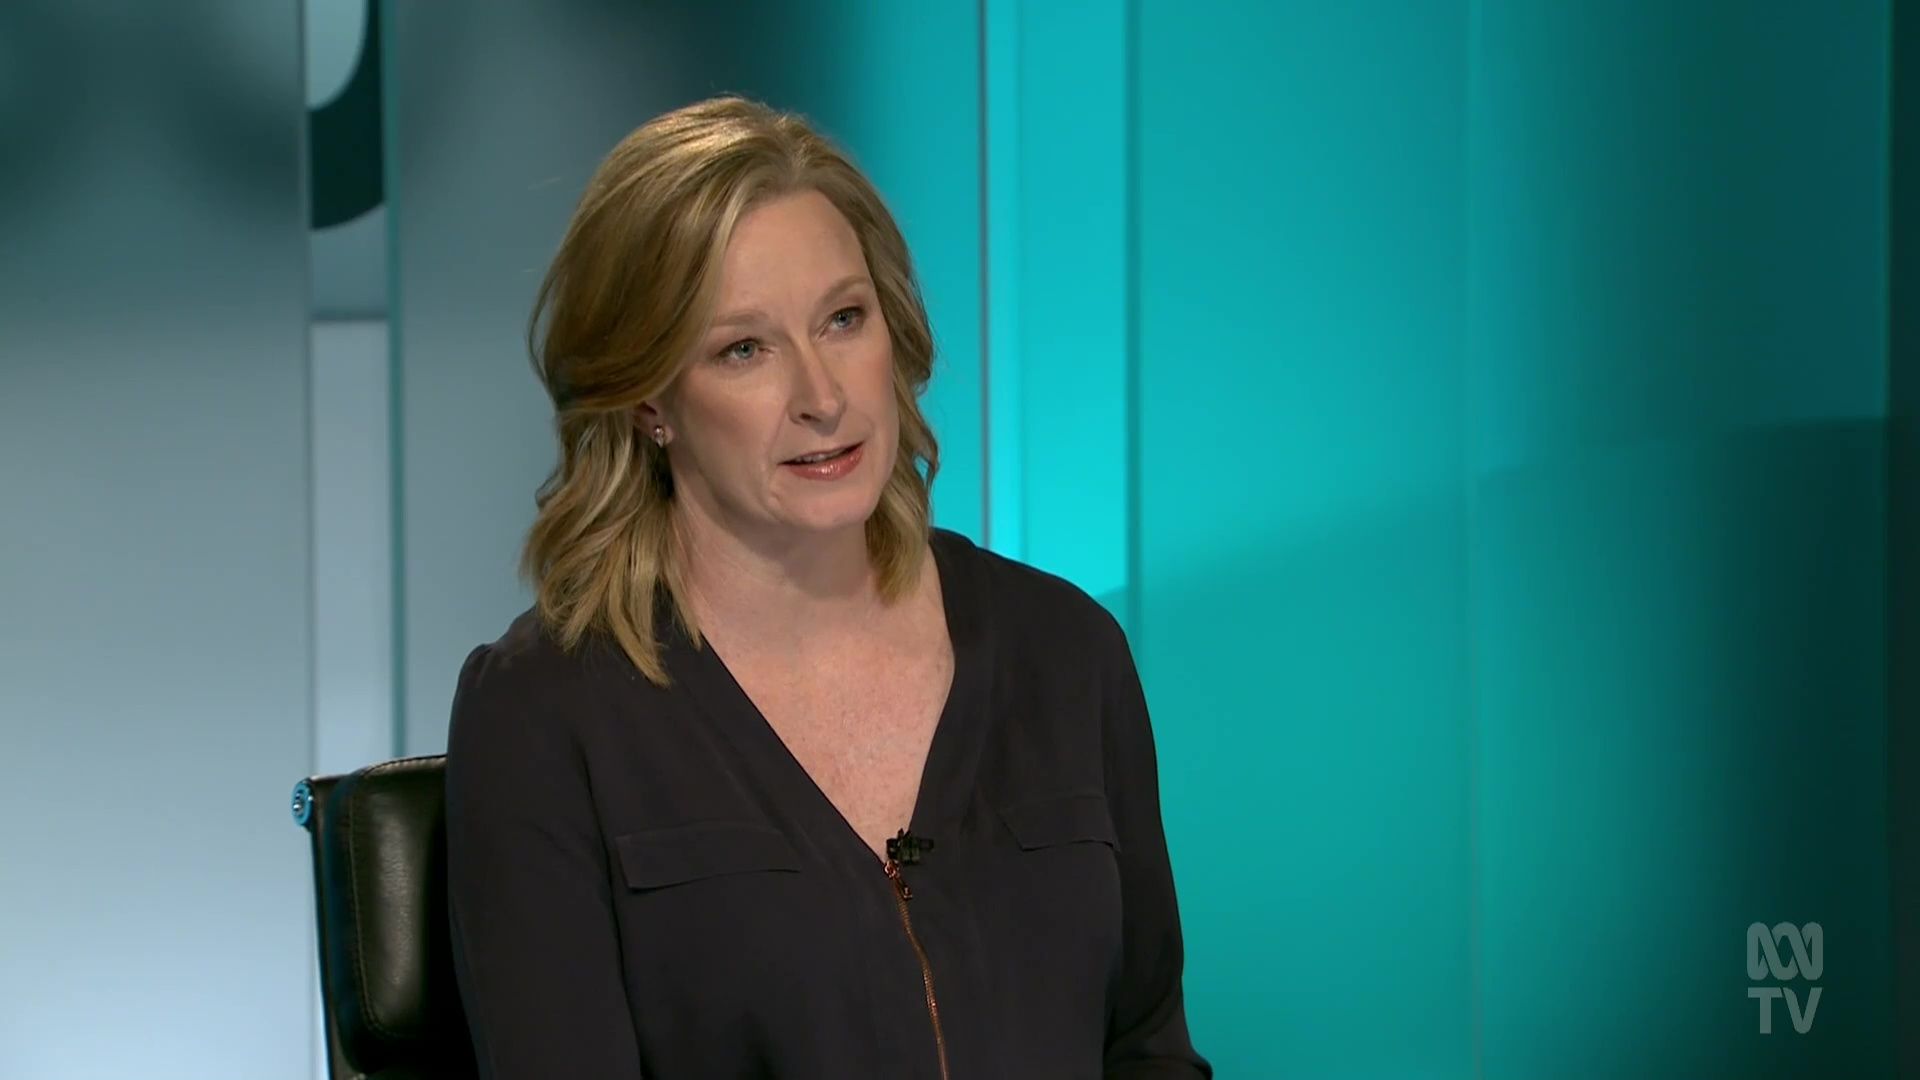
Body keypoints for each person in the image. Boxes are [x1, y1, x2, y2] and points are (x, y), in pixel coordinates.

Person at [443, 94, 1211, 1079]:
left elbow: (1148, 1049)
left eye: (843, 319)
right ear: (648, 400)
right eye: (744, 349)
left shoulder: (1065, 650)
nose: (823, 396)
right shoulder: (545, 712)